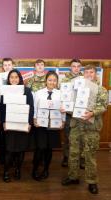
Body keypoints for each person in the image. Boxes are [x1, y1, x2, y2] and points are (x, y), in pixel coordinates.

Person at [62, 65, 108, 194]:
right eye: (86, 72)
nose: (89, 74)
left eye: (91, 72)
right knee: (73, 153)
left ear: (95, 74)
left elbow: (103, 106)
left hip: (91, 128)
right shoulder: (76, 88)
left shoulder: (101, 89)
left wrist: (92, 113)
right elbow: (70, 104)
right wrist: (65, 108)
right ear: (83, 74)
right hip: (76, 125)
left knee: (90, 156)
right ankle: (73, 177)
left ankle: (92, 182)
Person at [32, 71, 65, 181]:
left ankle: (46, 169)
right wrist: (34, 119)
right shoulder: (39, 93)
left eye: (54, 80)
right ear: (46, 81)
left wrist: (63, 121)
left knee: (49, 149)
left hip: (53, 125)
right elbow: (35, 108)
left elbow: (63, 109)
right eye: (50, 80)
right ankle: (35, 169)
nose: (52, 82)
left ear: (57, 82)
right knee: (40, 147)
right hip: (40, 124)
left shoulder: (60, 94)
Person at [2, 69, 34, 182]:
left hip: (22, 124)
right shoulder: (4, 91)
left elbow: (31, 108)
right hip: (9, 125)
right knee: (9, 150)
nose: (14, 79)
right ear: (8, 79)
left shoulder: (27, 91)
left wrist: (29, 123)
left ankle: (18, 170)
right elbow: (1, 108)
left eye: (16, 77)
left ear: (20, 78)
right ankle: (6, 172)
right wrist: (3, 122)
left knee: (21, 150)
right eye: (11, 77)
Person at [61, 59, 84, 168]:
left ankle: (82, 158)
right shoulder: (65, 80)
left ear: (80, 67)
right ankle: (66, 157)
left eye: (78, 66)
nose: (76, 68)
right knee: (68, 136)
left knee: (82, 137)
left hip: (82, 114)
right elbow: (61, 95)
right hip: (69, 113)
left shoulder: (85, 79)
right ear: (70, 67)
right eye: (74, 66)